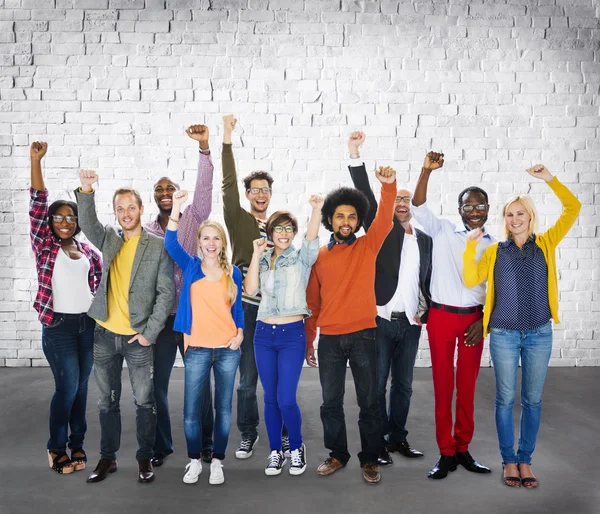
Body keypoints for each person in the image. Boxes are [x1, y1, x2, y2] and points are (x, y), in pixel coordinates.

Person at [463, 164, 581, 489]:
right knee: (503, 400)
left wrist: (549, 180)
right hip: (503, 333)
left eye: (520, 214)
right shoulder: (494, 251)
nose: (515, 219)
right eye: (510, 215)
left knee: (532, 400)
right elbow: (471, 278)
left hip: (539, 333)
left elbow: (573, 208)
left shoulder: (546, 243)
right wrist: (472, 246)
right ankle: (508, 460)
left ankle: (525, 460)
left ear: (530, 217)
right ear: (505, 220)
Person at [76, 170, 175, 484]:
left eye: (131, 207)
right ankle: (108, 459)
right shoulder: (109, 238)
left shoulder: (157, 246)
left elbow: (166, 293)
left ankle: (144, 458)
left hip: (137, 339)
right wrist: (87, 188)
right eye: (120, 209)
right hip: (104, 335)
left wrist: (149, 334)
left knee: (145, 402)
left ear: (141, 209)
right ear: (115, 212)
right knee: (107, 402)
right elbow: (87, 222)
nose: (126, 214)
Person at [305, 165, 397, 485]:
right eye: (340, 216)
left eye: (352, 217)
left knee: (369, 401)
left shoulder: (367, 246)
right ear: (330, 219)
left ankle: (370, 458)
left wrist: (388, 187)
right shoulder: (318, 256)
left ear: (358, 221)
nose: (346, 222)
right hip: (329, 339)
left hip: (363, 335)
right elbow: (313, 303)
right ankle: (337, 454)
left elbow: (385, 218)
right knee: (330, 402)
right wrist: (308, 340)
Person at [347, 132, 432, 466]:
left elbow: (428, 280)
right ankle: (378, 442)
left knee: (405, 387)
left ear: (412, 207)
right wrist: (355, 153)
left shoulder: (425, 240)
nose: (401, 204)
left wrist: (426, 312)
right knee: (377, 386)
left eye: (407, 200)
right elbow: (366, 194)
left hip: (411, 324)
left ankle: (398, 437)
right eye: (397, 199)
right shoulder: (383, 231)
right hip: (381, 320)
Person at [412, 152, 494, 480]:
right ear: (460, 211)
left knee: (468, 387)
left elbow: (498, 291)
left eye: (479, 206)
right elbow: (417, 205)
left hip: (474, 320)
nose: (474, 212)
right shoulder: (443, 230)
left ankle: (463, 448)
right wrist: (426, 171)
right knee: (444, 385)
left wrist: (484, 321)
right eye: (468, 206)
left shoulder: (493, 246)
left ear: (487, 210)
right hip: (442, 318)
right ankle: (445, 453)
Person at [29, 142, 102, 475]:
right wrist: (36, 160)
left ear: (76, 222)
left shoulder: (87, 250)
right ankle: (56, 447)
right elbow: (37, 203)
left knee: (82, 388)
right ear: (50, 222)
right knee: (67, 386)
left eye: (70, 217)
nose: (64, 222)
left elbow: (98, 285)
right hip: (57, 326)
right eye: (58, 217)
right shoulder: (45, 245)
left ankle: (78, 444)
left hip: (87, 326)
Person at [144, 124, 214, 467]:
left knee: (200, 386)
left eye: (170, 187)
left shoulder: (193, 220)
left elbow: (204, 188)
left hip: (191, 319)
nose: (165, 192)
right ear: (154, 196)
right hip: (160, 322)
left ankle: (205, 445)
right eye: (159, 189)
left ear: (176, 193)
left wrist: (203, 147)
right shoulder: (147, 232)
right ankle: (162, 446)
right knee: (157, 387)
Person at [165, 190, 244, 486]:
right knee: (191, 411)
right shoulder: (190, 267)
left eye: (216, 238)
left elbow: (237, 310)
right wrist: (176, 207)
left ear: (222, 243)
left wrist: (240, 335)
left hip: (227, 348)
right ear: (198, 243)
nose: (211, 244)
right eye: (206, 238)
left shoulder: (232, 273)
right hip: (196, 348)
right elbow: (171, 242)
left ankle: (218, 462)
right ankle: (195, 460)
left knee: (223, 409)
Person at [221, 115, 289, 458]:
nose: (260, 194)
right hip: (248, 308)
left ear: (270, 194)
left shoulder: (282, 225)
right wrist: (227, 137)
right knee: (247, 381)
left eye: (265, 190)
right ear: (248, 195)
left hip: (279, 310)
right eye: (255, 190)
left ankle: (285, 432)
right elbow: (228, 185)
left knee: (279, 380)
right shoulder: (239, 219)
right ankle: (249, 433)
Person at [244, 195, 323, 476]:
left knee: (286, 398)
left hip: (291, 335)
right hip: (264, 334)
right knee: (270, 398)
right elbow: (251, 290)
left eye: (289, 229)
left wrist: (315, 208)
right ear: (270, 232)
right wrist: (254, 254)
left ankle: (296, 448)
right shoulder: (264, 259)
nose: (284, 233)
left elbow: (313, 238)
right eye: (279, 228)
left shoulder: (301, 259)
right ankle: (276, 451)